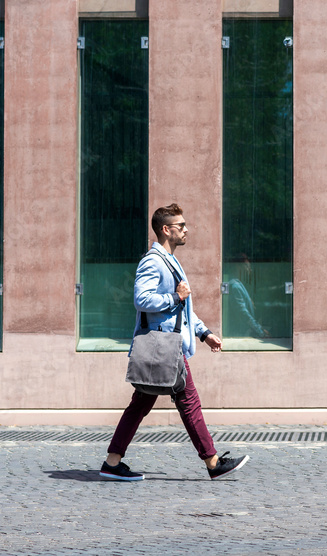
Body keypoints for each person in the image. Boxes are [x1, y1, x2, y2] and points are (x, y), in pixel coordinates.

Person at [100, 203, 250, 481]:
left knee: (141, 405)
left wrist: (204, 333)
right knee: (188, 401)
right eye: (181, 226)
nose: (186, 230)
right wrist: (175, 297)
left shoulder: (170, 260)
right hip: (164, 347)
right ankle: (212, 462)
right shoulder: (153, 261)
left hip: (167, 346)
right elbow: (142, 300)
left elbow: (184, 309)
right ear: (166, 230)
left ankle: (112, 462)